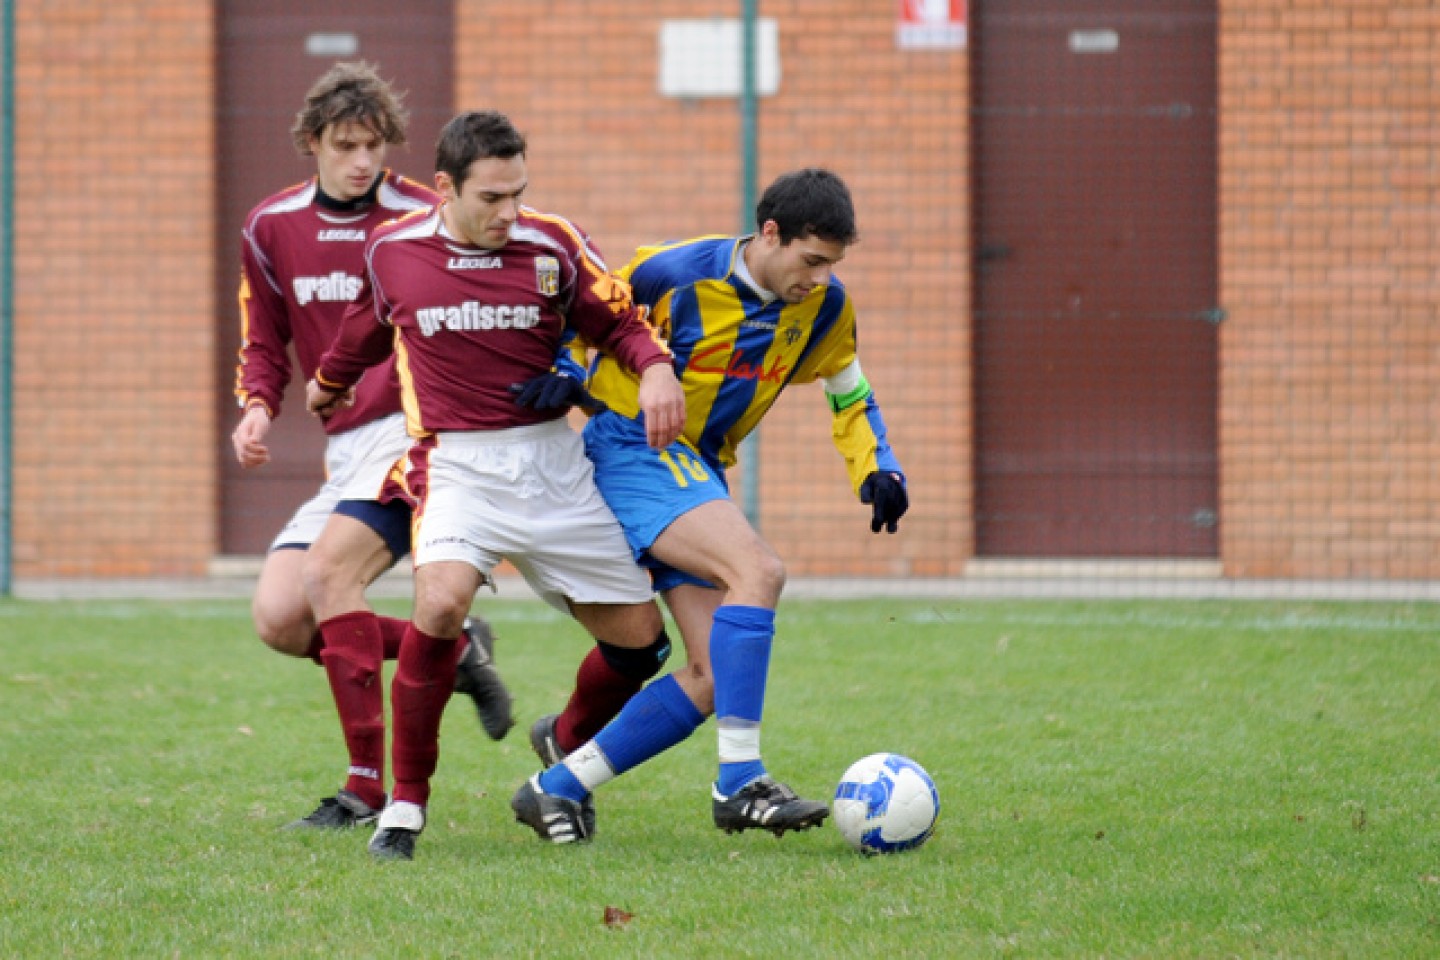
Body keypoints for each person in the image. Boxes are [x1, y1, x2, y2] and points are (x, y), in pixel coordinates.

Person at [306, 109, 688, 861]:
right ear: (444, 187)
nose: (509, 212)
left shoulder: (553, 241)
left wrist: (655, 367)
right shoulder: (393, 251)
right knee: (441, 601)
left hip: (553, 465)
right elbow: (362, 331)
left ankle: (566, 740)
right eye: (491, 198)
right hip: (457, 466)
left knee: (641, 647)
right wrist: (327, 384)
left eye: (518, 193)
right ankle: (406, 807)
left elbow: (618, 320)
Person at [510, 167, 909, 843]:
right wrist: (569, 375)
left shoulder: (826, 307)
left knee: (713, 676)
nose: (818, 279)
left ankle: (556, 787)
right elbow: (585, 316)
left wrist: (878, 467)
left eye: (831, 266)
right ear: (770, 233)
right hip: (631, 446)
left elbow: (848, 389)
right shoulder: (671, 272)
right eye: (810, 261)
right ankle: (740, 782)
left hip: (697, 473)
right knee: (760, 571)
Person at [230, 62, 515, 832]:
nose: (363, 162)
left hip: (416, 433)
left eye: (375, 145)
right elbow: (264, 339)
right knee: (282, 618)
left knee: (327, 577)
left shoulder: (426, 213)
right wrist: (257, 407)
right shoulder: (270, 226)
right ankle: (456, 652)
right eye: (347, 145)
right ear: (313, 142)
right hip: (345, 446)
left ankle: (364, 789)